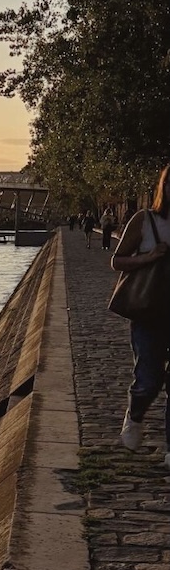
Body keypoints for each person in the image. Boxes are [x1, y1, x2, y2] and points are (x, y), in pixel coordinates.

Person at [112, 166, 170, 466]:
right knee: (149, 379)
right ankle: (134, 419)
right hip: (149, 310)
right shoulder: (145, 220)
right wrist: (150, 256)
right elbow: (117, 260)